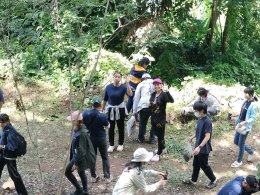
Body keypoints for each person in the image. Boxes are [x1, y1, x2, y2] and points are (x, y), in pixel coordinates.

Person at [182, 101, 217, 189]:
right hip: (198, 146)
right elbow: (198, 131)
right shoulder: (199, 119)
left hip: (203, 148)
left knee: (204, 165)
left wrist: (199, 147)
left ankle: (213, 180)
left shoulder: (207, 121)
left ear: (202, 111)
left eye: (196, 110)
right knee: (196, 164)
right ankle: (193, 180)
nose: (195, 112)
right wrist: (192, 137)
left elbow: (207, 136)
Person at [83, 96, 111, 183]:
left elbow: (83, 124)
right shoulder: (102, 115)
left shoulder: (85, 113)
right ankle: (107, 177)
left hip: (91, 137)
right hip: (101, 138)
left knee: (92, 157)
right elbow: (108, 126)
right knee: (105, 157)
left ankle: (93, 176)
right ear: (100, 104)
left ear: (92, 104)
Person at [102, 72, 132, 152]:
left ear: (121, 78)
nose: (117, 78)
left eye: (119, 77)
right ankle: (111, 145)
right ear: (113, 77)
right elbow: (105, 99)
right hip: (110, 109)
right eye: (115, 77)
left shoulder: (123, 87)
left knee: (120, 127)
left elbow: (130, 94)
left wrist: (128, 83)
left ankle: (120, 144)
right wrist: (102, 110)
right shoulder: (108, 87)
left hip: (120, 108)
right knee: (110, 127)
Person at [65, 111, 92, 195]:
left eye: (72, 120)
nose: (71, 121)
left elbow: (81, 150)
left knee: (67, 172)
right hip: (77, 155)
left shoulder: (82, 133)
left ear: (77, 121)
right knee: (81, 172)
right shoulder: (77, 129)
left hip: (79, 156)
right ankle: (85, 191)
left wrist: (76, 163)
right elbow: (76, 143)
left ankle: (80, 190)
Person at [0, 113, 28, 195]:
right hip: (3, 155)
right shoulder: (5, 129)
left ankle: (23, 193)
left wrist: (2, 147)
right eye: (0, 122)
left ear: (7, 121)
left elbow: (12, 147)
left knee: (15, 176)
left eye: (2, 122)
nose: (1, 124)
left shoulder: (11, 131)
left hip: (9, 157)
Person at [231, 87, 258, 168]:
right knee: (236, 141)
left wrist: (245, 122)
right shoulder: (245, 101)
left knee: (241, 143)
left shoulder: (254, 105)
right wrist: (237, 118)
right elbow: (242, 113)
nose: (244, 94)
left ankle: (239, 161)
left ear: (250, 94)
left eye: (245, 93)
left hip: (245, 126)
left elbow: (253, 118)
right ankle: (252, 152)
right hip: (239, 124)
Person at [149, 78, 174, 162]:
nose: (156, 86)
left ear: (161, 85)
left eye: (158, 84)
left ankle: (159, 153)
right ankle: (163, 148)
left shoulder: (163, 94)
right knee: (156, 134)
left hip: (161, 119)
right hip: (154, 118)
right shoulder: (153, 94)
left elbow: (171, 100)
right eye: (155, 84)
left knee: (160, 136)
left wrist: (167, 91)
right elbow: (151, 106)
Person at [132, 73, 155, 144]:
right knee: (154, 123)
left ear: (142, 79)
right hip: (154, 105)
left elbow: (136, 98)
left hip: (144, 105)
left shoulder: (141, 84)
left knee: (143, 123)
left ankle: (141, 138)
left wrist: (134, 111)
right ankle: (152, 139)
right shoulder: (155, 83)